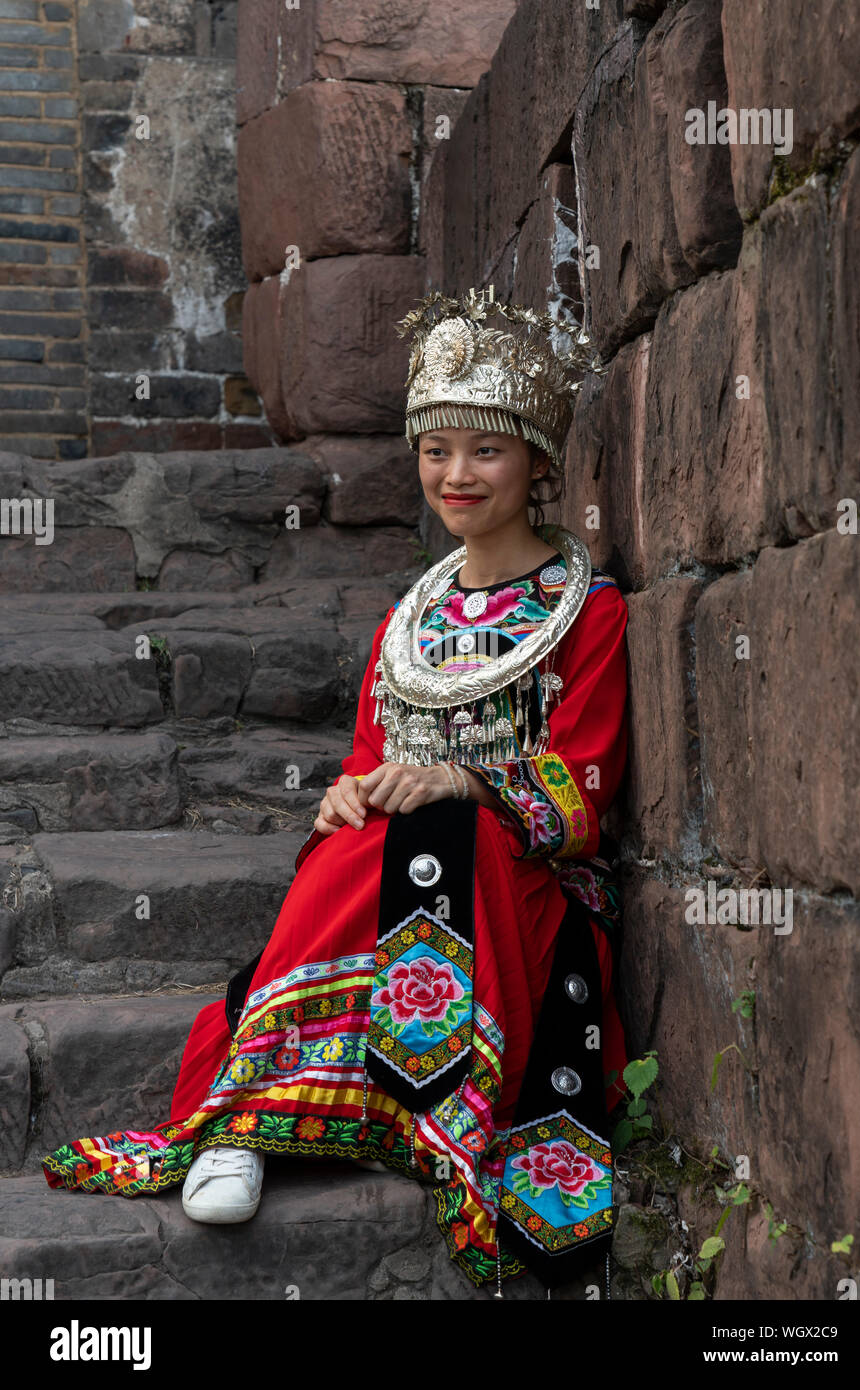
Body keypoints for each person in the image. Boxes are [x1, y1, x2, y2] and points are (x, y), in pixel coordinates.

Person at [41, 287, 630, 1295]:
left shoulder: (590, 611)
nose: (456, 474)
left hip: (522, 889)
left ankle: (384, 1109)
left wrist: (469, 780)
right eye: (436, 449)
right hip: (395, 865)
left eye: (485, 451)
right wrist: (344, 800)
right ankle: (246, 1119)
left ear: (537, 459)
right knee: (365, 836)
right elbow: (367, 758)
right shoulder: (407, 620)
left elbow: (582, 796)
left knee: (439, 824)